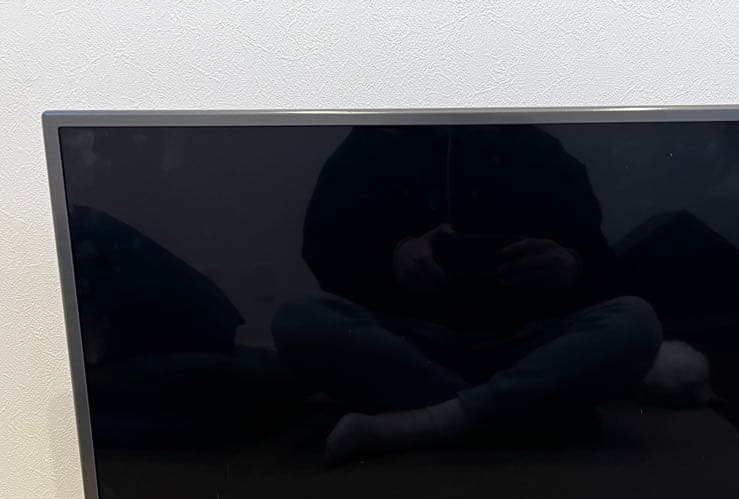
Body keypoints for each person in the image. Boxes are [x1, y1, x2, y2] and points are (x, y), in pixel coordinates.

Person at [272, 125, 661, 463]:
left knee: (636, 322)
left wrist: (569, 265)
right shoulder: (372, 145)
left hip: (522, 341)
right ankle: (529, 410)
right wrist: (393, 257)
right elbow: (322, 249)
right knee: (299, 319)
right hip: (412, 341)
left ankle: (429, 421)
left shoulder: (540, 151)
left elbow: (604, 272)